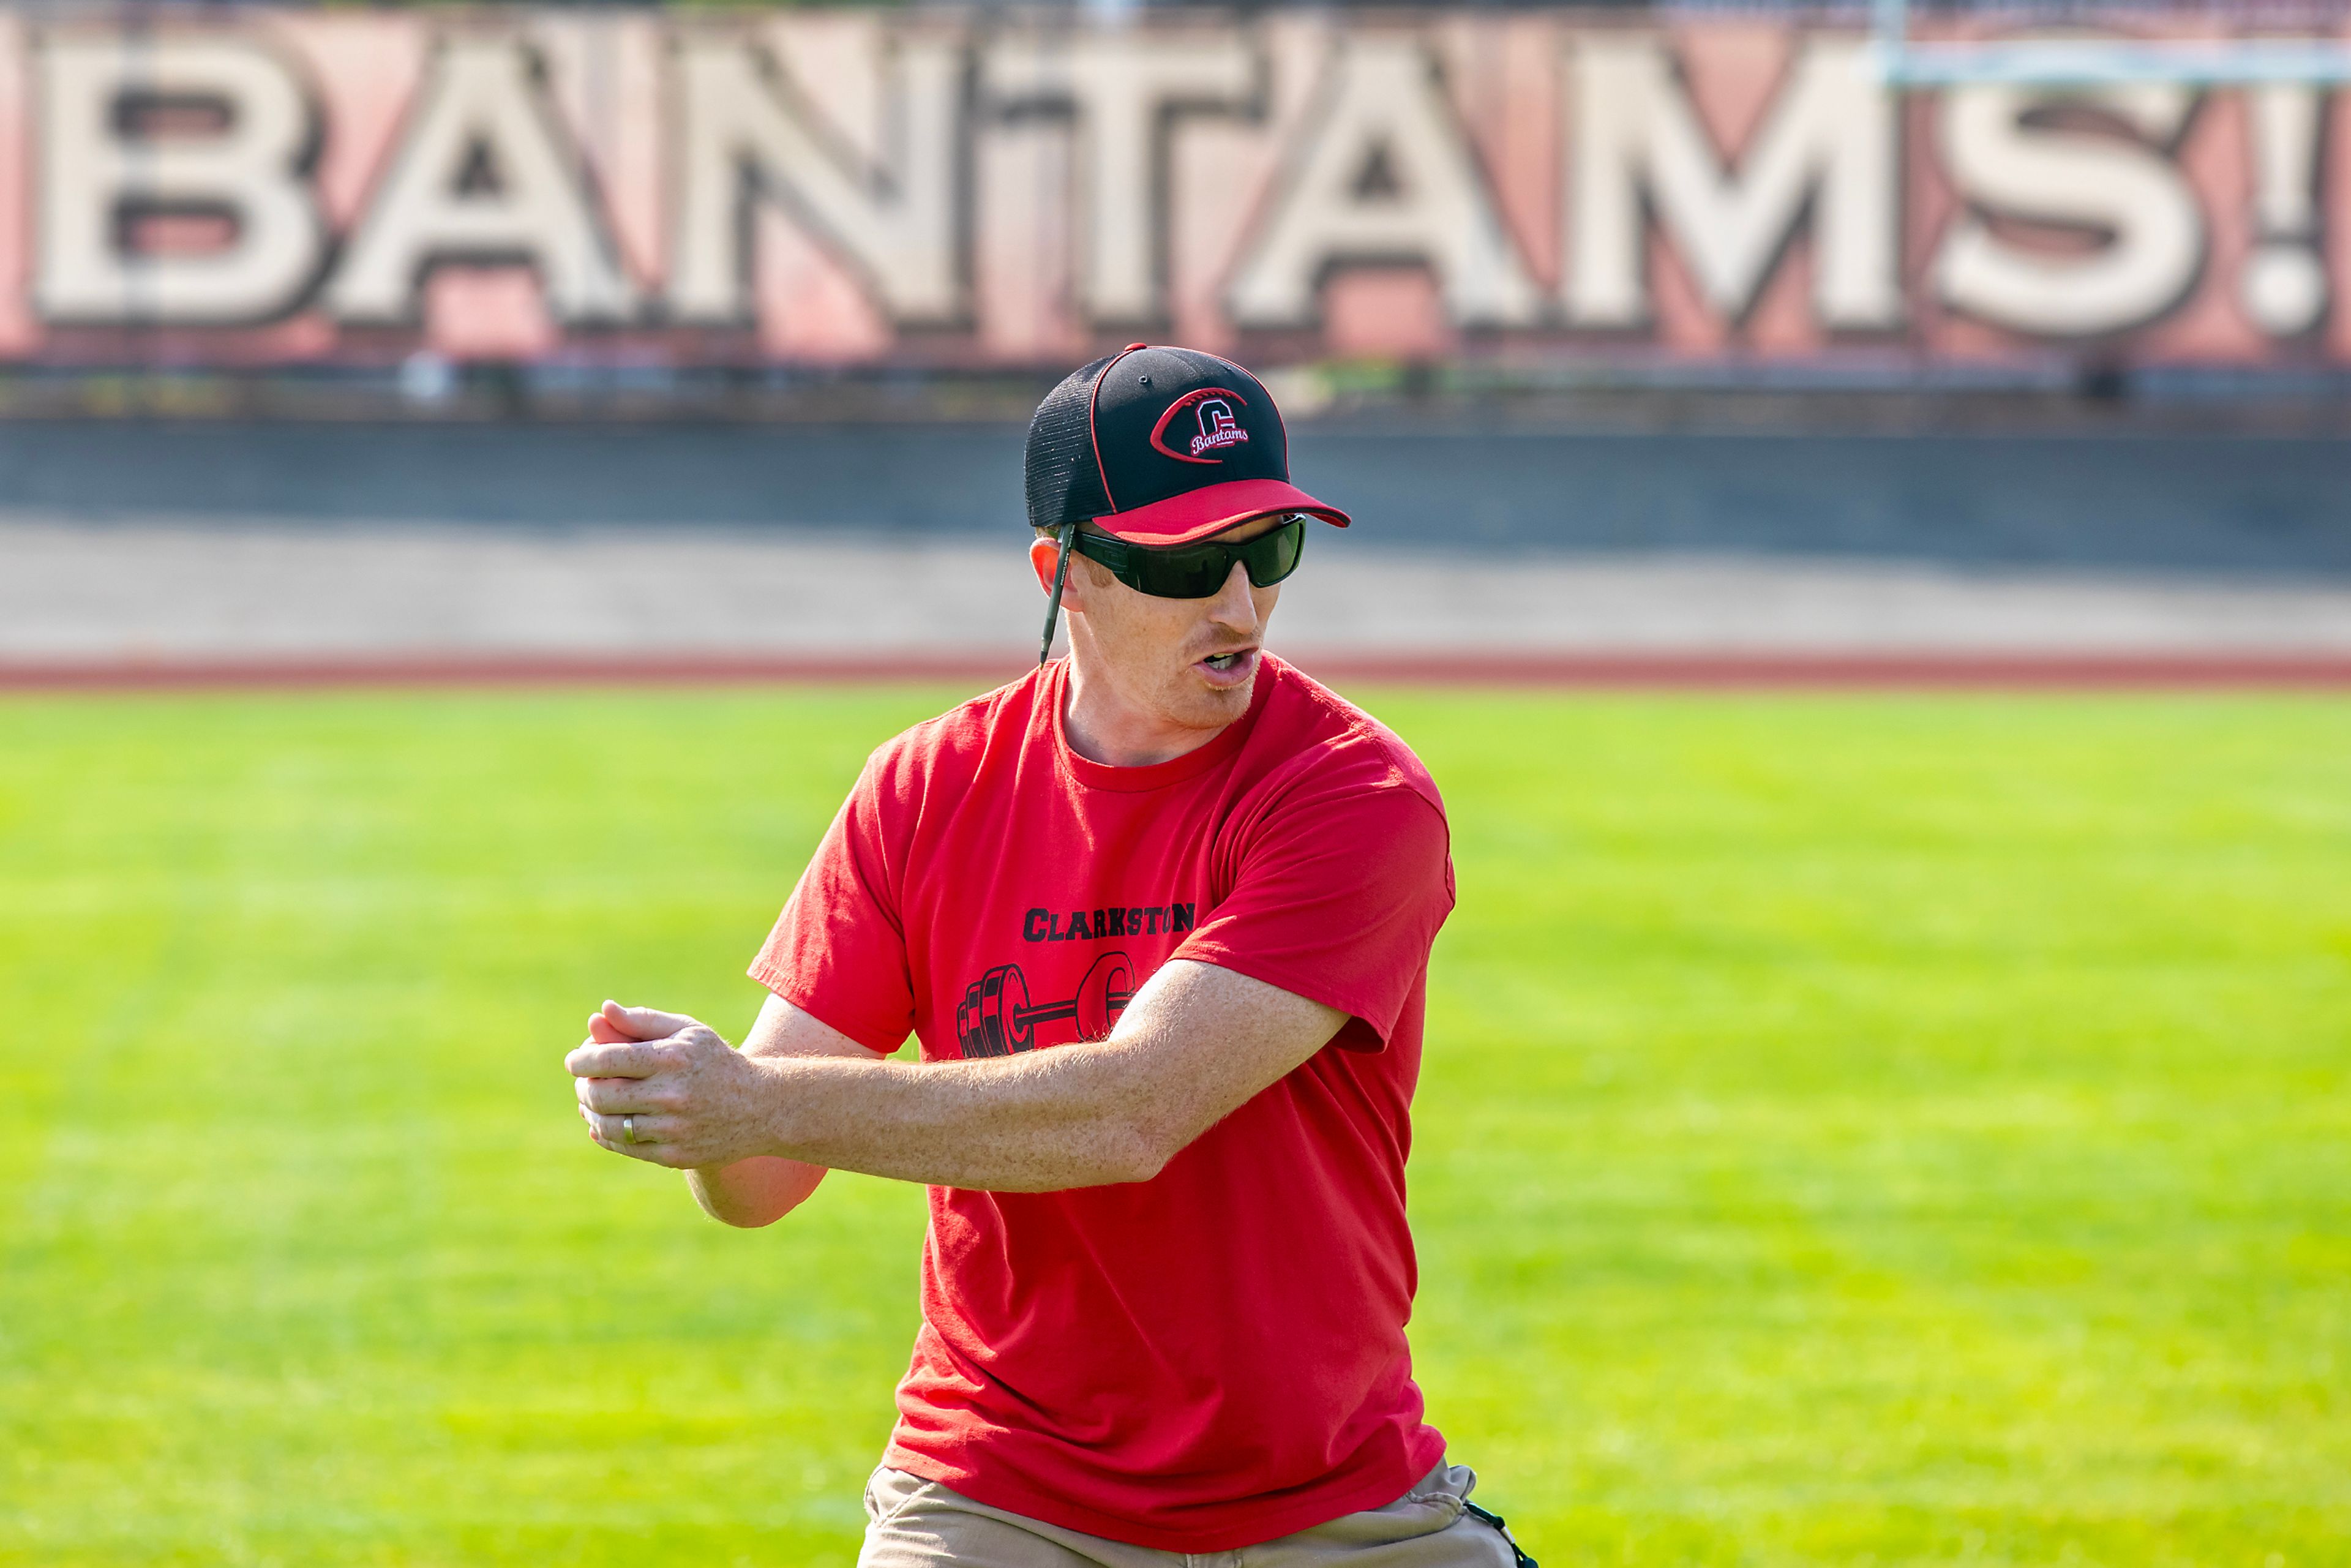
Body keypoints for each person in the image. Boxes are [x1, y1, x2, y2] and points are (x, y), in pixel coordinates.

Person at [566, 345, 1532, 1567]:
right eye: (1184, 563)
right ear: (1064, 570)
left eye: (1268, 551)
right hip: (993, 1496)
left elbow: (1131, 1114)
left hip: (1334, 1504)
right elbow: (756, 1184)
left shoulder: (1354, 796)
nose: (1237, 607)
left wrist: (749, 1099)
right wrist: (690, 1113)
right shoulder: (924, 788)